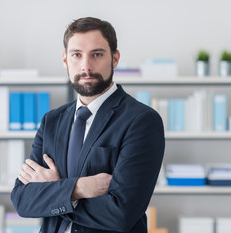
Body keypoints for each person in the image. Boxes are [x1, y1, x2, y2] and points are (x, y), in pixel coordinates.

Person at [11, 17, 165, 233]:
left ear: (115, 58)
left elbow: (121, 213)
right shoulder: (51, 122)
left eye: (97, 54)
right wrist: (79, 188)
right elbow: (22, 200)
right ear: (65, 60)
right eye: (77, 55)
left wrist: (56, 191)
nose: (86, 66)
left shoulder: (141, 121)